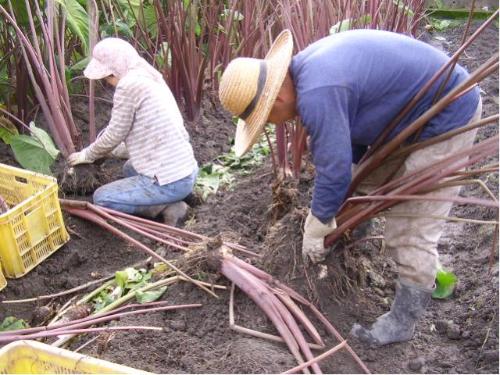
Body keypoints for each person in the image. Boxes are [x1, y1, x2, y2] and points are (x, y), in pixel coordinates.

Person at [218, 29, 481, 347]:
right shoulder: (309, 71)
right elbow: (349, 145)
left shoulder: (318, 91)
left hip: (447, 113)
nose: (275, 124)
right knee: (360, 186)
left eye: (267, 119)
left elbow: (335, 172)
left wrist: (317, 223)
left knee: (410, 228)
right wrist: (339, 206)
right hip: (409, 115)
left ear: (277, 101)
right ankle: (353, 242)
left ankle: (403, 322)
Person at [68, 38, 198, 226]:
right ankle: (176, 195)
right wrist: (109, 152)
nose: (109, 82)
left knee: (103, 198)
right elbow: (148, 138)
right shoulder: (149, 76)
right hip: (187, 171)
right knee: (129, 168)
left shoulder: (128, 85)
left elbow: (114, 134)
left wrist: (87, 155)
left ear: (114, 70)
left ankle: (168, 207)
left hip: (172, 181)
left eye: (108, 77)